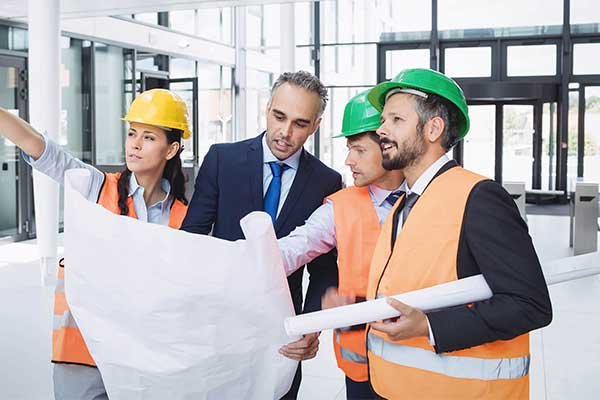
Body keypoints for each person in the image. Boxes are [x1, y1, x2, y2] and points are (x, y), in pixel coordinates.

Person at [364, 68, 552, 399]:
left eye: (395, 120)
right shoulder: (403, 206)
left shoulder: (479, 197)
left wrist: (429, 326)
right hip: (395, 388)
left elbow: (529, 304)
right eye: (383, 120)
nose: (381, 129)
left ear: (433, 128)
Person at [0, 88, 190, 400]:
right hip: (83, 353)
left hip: (145, 355)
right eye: (132, 133)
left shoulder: (183, 215)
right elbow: (41, 149)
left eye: (149, 137)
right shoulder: (96, 186)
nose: (135, 144)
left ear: (171, 149)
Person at [180, 71, 342, 399]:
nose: (285, 132)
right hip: (218, 321)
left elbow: (323, 269)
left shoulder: (327, 180)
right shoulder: (222, 159)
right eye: (279, 116)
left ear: (316, 125)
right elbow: (192, 238)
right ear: (267, 108)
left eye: (300, 123)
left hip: (282, 330)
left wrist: (309, 325)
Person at [278, 90, 403, 399]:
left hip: (421, 364)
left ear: (388, 145)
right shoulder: (340, 207)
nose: (349, 161)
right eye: (349, 149)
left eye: (359, 150)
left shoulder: (431, 200)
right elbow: (295, 247)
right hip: (362, 369)